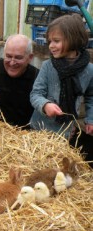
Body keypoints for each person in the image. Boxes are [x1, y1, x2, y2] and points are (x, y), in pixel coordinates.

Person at [30, 14, 93, 167]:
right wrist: (45, 105)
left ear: (73, 39)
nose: (51, 45)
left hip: (65, 130)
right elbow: (35, 94)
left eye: (56, 41)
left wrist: (90, 119)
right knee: (36, 163)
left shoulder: (89, 70)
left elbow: (91, 96)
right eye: (49, 41)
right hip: (40, 128)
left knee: (55, 164)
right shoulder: (48, 66)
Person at [0, 34, 39, 129]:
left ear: (30, 58)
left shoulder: (37, 78)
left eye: (18, 58)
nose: (12, 62)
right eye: (8, 56)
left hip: (22, 135)